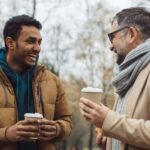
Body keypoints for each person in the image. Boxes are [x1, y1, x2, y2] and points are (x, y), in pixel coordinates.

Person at [79, 7, 150, 150]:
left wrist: (108, 120)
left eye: (112, 37)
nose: (110, 46)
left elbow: (118, 123)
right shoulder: (129, 75)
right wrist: (112, 142)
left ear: (131, 34)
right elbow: (128, 129)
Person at [0, 15, 72, 150]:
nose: (38, 48)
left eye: (39, 42)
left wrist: (57, 129)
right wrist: (6, 134)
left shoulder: (52, 81)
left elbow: (67, 122)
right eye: (30, 41)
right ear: (10, 43)